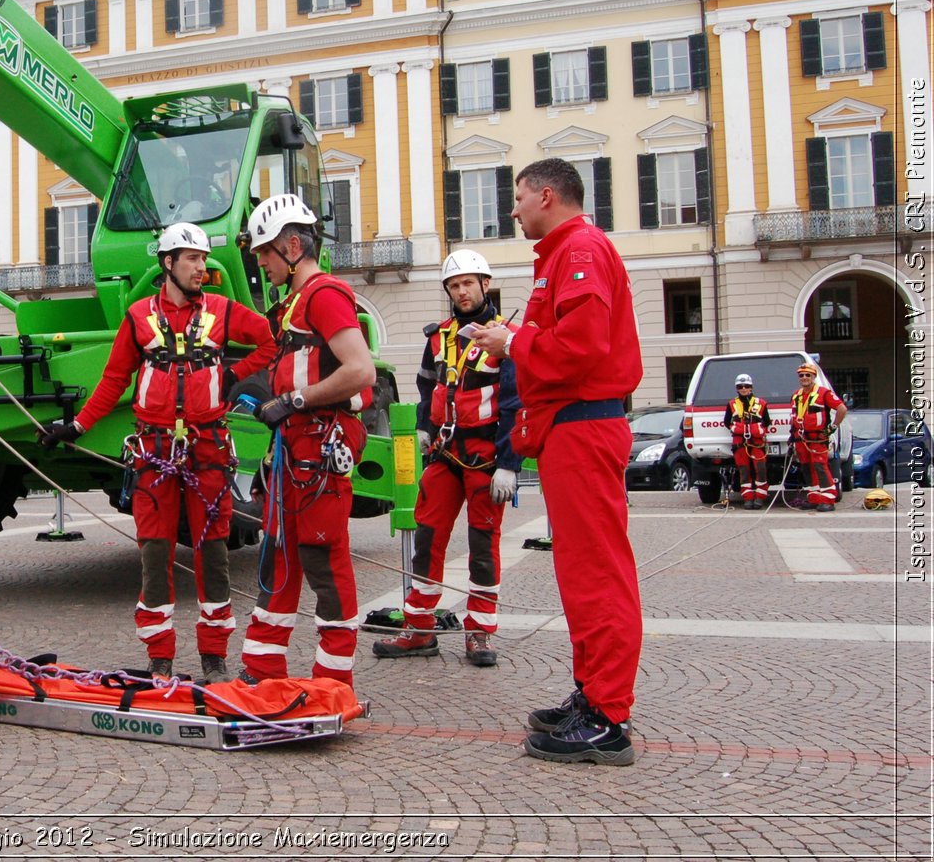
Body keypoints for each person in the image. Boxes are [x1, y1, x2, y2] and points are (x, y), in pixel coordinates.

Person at [39, 223, 275, 684]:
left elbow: (270, 341)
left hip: (207, 450)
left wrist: (234, 376)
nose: (202, 268)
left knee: (213, 555)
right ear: (168, 263)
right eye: (192, 260)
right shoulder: (138, 317)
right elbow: (113, 381)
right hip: (154, 453)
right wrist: (77, 426)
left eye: (204, 260)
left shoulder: (225, 312)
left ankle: (214, 657)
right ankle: (160, 657)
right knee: (154, 555)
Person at [470, 157, 642, 766]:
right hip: (573, 429)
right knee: (580, 570)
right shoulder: (568, 253)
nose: (512, 210)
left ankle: (608, 718)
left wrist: (510, 342)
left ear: (547, 195)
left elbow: (582, 346)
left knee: (597, 571)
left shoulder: (579, 252)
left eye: (518, 198)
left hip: (585, 426)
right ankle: (595, 695)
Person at [237, 194, 375, 688]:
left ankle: (333, 682)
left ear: (293, 245)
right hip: (292, 455)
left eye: (265, 254)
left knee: (323, 561)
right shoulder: (292, 304)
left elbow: (360, 370)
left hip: (318, 452)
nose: (261, 264)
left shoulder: (323, 294)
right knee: (278, 557)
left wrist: (295, 401)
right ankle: (262, 670)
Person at [373, 249, 522, 667]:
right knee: (427, 539)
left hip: (484, 453)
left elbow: (514, 404)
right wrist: (423, 425)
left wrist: (509, 463)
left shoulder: (503, 337)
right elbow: (426, 387)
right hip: (443, 450)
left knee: (482, 546)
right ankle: (419, 629)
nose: (461, 291)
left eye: (468, 284)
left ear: (485, 285)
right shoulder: (437, 336)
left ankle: (479, 633)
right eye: (454, 286)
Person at [790, 361, 848, 511]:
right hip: (801, 438)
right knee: (806, 468)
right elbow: (795, 416)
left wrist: (832, 427)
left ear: (813, 376)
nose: (804, 378)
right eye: (801, 375)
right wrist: (792, 436)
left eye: (807, 375)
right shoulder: (797, 395)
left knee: (820, 467)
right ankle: (814, 497)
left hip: (818, 438)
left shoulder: (823, 393)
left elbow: (842, 409)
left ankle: (828, 499)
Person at [723, 373, 770, 505]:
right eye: (740, 386)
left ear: (751, 387)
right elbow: (727, 422)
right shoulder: (732, 404)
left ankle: (760, 497)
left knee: (760, 468)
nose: (744, 388)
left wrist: (757, 429)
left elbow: (767, 421)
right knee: (744, 470)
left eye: (747, 386)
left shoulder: (761, 403)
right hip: (740, 442)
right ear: (737, 388)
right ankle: (748, 498)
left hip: (757, 442)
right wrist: (736, 428)